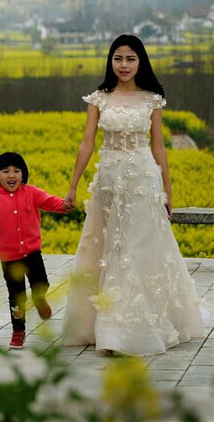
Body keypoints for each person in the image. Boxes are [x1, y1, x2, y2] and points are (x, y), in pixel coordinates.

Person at [61, 34, 204, 356]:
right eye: (118, 58)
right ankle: (107, 325)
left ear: (141, 62)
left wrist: (168, 190)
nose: (124, 65)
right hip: (109, 183)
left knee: (137, 251)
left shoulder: (152, 99)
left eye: (130, 59)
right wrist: (73, 185)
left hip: (143, 180)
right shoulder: (98, 98)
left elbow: (158, 146)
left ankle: (125, 330)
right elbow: (87, 144)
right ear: (110, 61)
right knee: (109, 249)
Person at [0, 152, 72, 349]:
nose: (11, 175)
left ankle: (39, 299)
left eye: (16, 171)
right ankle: (18, 331)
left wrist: (64, 206)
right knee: (16, 295)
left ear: (23, 175)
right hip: (9, 259)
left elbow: (49, 201)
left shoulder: (31, 192)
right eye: (5, 171)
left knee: (41, 283)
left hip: (32, 253)